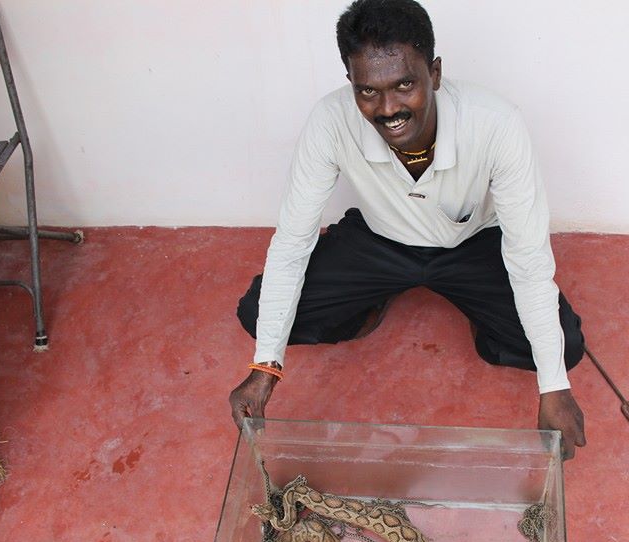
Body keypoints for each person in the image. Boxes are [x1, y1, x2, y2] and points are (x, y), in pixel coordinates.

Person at [230, 0, 587, 459]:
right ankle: (367, 307)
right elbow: (292, 243)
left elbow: (528, 258)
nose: (389, 108)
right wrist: (265, 370)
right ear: (351, 84)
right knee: (257, 314)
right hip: (379, 241)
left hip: (471, 244)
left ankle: (484, 323)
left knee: (565, 347)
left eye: (405, 84)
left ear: (434, 74)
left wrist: (553, 388)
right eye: (368, 92)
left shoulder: (497, 124)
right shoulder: (329, 120)